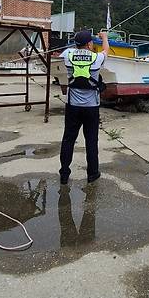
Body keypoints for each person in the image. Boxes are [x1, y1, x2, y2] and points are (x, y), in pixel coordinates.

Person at [59, 30, 109, 185]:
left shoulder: (68, 54)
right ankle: (92, 174)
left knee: (68, 139)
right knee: (91, 141)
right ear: (89, 44)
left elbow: (68, 51)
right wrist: (104, 37)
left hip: (72, 106)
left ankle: (64, 174)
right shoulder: (96, 58)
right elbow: (106, 51)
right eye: (92, 42)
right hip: (91, 108)